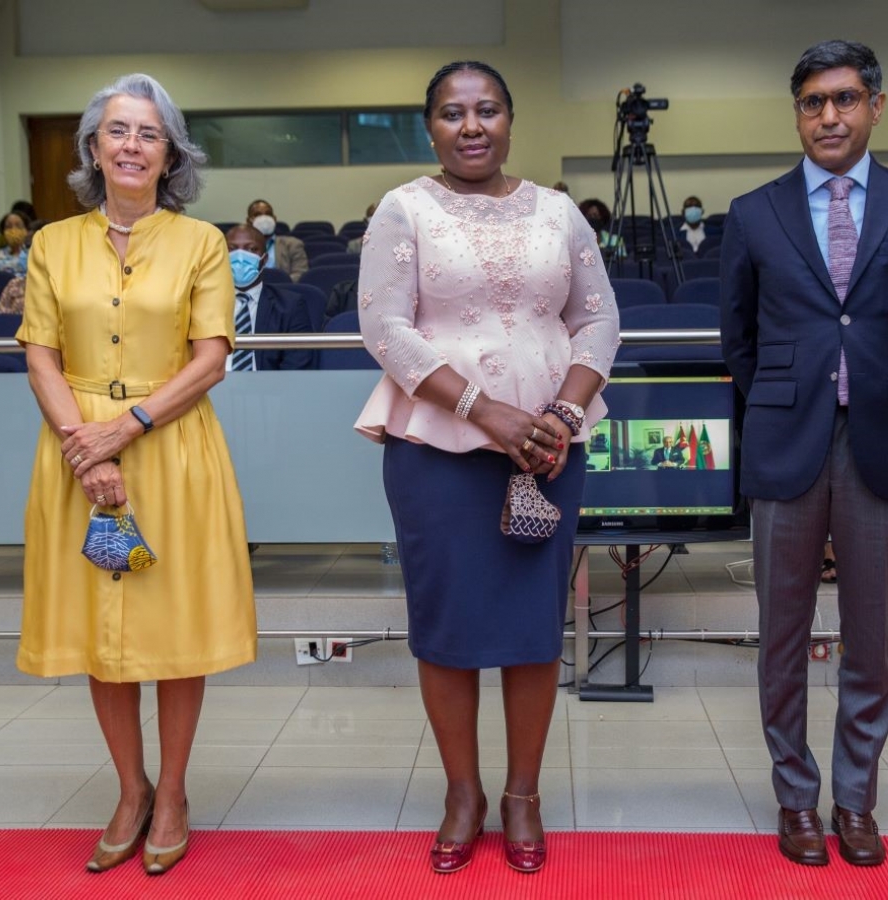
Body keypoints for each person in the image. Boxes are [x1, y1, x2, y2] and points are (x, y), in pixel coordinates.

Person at [355, 60, 618, 876]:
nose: (471, 126)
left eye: (487, 110)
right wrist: (484, 409)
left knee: (534, 632)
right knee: (447, 631)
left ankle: (523, 796)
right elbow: (387, 331)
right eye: (451, 113)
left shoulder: (561, 212)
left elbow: (600, 319)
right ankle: (463, 793)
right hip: (435, 450)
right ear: (429, 126)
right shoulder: (404, 210)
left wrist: (563, 415)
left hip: (546, 452)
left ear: (510, 118)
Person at [719, 40, 888, 869]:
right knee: (780, 636)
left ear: (876, 106)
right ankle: (796, 798)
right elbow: (739, 342)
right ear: (797, 113)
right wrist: (800, 399)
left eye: (847, 99)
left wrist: (883, 394)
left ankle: (855, 800)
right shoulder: (754, 213)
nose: (830, 115)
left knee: (872, 637)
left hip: (883, 446)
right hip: (786, 447)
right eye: (814, 102)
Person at [14, 72, 256, 877]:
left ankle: (176, 793)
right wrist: (88, 446)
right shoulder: (52, 243)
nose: (131, 145)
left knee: (174, 632)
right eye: (117, 131)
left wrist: (126, 427)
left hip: (172, 449)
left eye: (149, 134)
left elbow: (212, 357)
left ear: (171, 154)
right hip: (79, 457)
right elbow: (41, 355)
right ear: (93, 147)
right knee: (100, 631)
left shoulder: (202, 243)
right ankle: (130, 788)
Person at [225, 223, 314, 370]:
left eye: (251, 249)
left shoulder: (290, 305)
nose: (240, 256)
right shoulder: (202, 303)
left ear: (264, 259)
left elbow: (296, 365)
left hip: (267, 389)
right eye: (231, 249)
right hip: (211, 388)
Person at [246, 199, 308, 281]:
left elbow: (300, 273)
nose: (264, 218)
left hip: (283, 290)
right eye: (258, 214)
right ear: (248, 221)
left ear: (274, 219)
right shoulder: (240, 247)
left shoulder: (293, 244)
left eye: (268, 214)